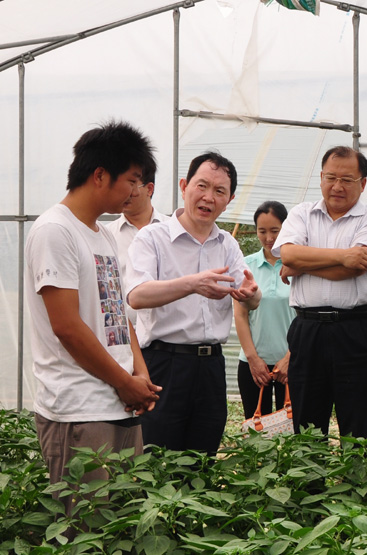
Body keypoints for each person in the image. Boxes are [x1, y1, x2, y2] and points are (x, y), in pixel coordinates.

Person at [24, 120, 162, 514]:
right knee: (84, 527)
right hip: (79, 410)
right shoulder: (55, 231)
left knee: (123, 524)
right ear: (99, 175)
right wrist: (125, 382)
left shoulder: (101, 235)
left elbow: (118, 312)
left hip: (120, 402)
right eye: (131, 180)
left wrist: (140, 375)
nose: (136, 191)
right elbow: (67, 327)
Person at [126, 151, 261, 455]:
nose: (209, 197)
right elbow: (136, 295)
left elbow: (251, 295)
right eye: (202, 186)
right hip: (164, 364)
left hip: (211, 366)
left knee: (203, 458)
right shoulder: (152, 238)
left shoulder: (227, 244)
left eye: (219, 191)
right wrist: (193, 284)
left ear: (230, 199)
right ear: (184, 186)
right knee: (159, 459)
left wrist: (251, 294)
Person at [272, 145, 367, 439]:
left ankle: (357, 472)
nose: (337, 186)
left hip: (355, 330)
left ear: (363, 183)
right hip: (307, 329)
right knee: (307, 427)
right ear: (321, 177)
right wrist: (342, 256)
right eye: (331, 177)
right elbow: (288, 254)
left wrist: (301, 264)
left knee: (358, 425)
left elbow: (354, 268)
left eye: (347, 180)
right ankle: (311, 474)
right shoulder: (302, 213)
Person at [234, 201, 295, 419]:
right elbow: (240, 315)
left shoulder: (298, 267)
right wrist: (253, 359)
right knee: (255, 428)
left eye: (275, 231)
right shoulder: (246, 266)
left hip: (291, 364)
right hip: (253, 364)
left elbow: (306, 318)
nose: (269, 238)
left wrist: (291, 357)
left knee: (293, 429)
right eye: (262, 231)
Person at [106, 169, 169, 326]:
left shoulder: (172, 230)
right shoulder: (106, 235)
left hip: (166, 333)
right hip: (123, 331)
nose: (125, 193)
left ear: (150, 189)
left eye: (132, 185)